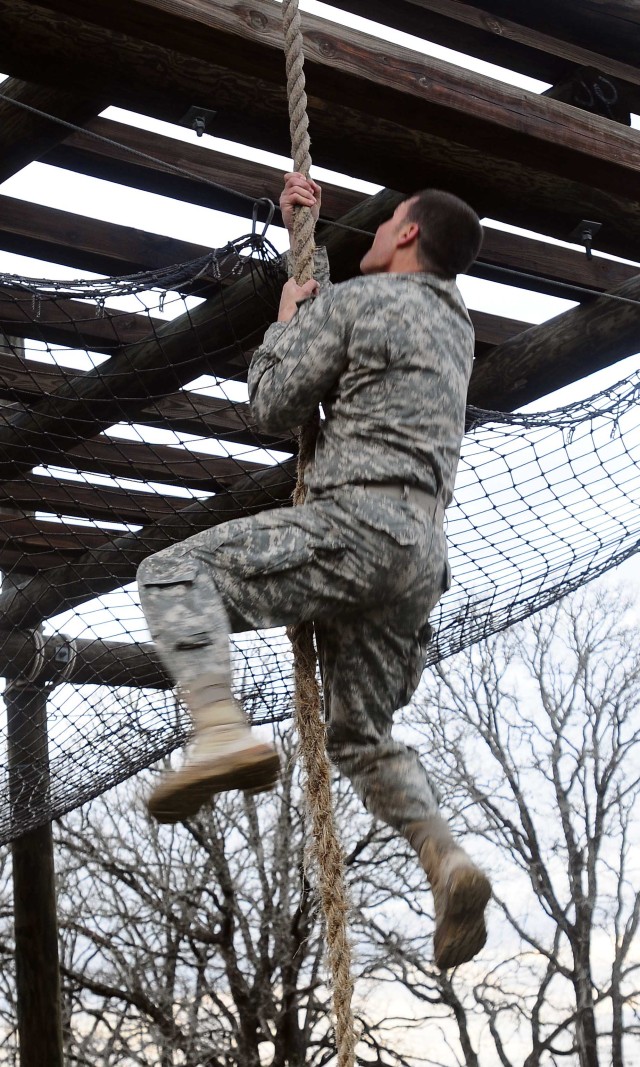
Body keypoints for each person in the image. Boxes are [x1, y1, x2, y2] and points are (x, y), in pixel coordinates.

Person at [137, 174, 490, 968]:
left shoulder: (362, 308)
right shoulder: (453, 324)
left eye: (389, 220)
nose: (378, 229)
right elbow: (361, 333)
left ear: (406, 236)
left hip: (354, 526)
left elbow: (272, 404)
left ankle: (221, 732)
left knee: (170, 572)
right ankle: (447, 858)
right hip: (419, 556)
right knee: (361, 736)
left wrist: (284, 324)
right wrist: (313, 240)